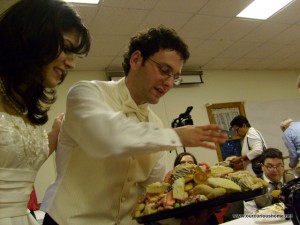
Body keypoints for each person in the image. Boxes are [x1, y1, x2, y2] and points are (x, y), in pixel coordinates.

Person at [41, 25, 227, 225]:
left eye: (175, 76)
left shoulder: (155, 124)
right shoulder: (85, 93)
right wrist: (176, 136)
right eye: (164, 71)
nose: (169, 83)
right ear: (136, 59)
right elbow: (105, 138)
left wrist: (182, 219)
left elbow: (150, 190)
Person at [0, 0, 91, 225]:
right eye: (68, 49)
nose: (71, 64)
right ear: (34, 36)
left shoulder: (22, 105)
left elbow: (15, 164)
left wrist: (56, 134)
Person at [164, 152, 219, 225]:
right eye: (182, 162)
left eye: (190, 162)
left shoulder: (203, 183)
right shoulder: (171, 186)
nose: (186, 164)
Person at [243, 148, 295, 214]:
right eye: (270, 166)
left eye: (279, 166)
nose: (275, 170)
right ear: (262, 167)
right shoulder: (252, 185)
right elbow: (250, 215)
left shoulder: (292, 180)